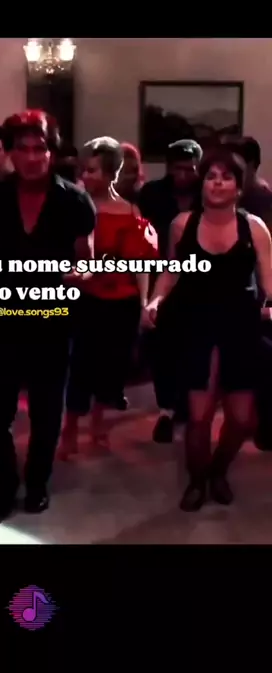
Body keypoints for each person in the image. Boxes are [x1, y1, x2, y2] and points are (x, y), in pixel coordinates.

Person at [0, 109, 96, 518]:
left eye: (39, 148)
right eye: (22, 149)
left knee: (46, 412)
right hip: (2, 315)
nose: (32, 157)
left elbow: (87, 262)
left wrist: (75, 274)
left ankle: (37, 482)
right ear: (10, 153)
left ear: (52, 152)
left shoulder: (74, 199)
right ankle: (5, 484)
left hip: (53, 317)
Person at [142, 149, 272, 511]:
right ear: (203, 184)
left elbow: (270, 281)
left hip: (241, 326)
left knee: (242, 420)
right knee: (198, 417)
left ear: (239, 187)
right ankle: (197, 480)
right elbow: (171, 271)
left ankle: (219, 471)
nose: (217, 183)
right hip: (197, 323)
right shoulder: (183, 224)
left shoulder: (254, 228)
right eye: (211, 176)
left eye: (226, 177)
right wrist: (155, 301)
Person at [59, 138, 158, 459]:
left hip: (122, 303)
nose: (85, 176)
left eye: (92, 170)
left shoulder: (131, 211)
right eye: (83, 170)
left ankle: (98, 426)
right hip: (83, 299)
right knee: (78, 367)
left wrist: (143, 304)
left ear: (111, 173)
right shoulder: (73, 205)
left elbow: (140, 265)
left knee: (111, 368)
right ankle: (69, 429)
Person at [139, 139, 203, 444]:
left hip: (199, 282)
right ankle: (166, 409)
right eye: (178, 168)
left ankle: (187, 407)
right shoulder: (152, 194)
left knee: (194, 348)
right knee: (161, 348)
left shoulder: (208, 193)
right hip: (160, 276)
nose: (184, 175)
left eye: (190, 169)